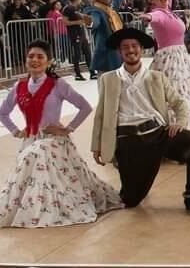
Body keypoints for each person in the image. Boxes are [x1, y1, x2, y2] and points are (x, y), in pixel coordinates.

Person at [0, 40, 122, 228]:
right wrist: (16, 131)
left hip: (55, 141)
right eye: (31, 56)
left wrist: (67, 128)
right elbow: (3, 112)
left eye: (40, 57)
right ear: (25, 60)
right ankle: (36, 209)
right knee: (32, 161)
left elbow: (84, 107)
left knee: (38, 152)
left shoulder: (58, 85)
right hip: (30, 141)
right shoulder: (19, 86)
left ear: (48, 61)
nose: (35, 60)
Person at [90, 28, 190, 215]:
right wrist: (96, 145)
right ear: (120, 51)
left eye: (134, 46)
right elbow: (101, 114)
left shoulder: (156, 77)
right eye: (125, 47)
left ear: (142, 49)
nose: (130, 50)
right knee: (131, 200)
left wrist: (180, 122)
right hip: (127, 141)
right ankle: (133, 184)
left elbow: (179, 103)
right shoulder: (108, 79)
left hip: (157, 134)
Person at [138, 0, 190, 132]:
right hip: (170, 62)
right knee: (175, 96)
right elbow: (154, 17)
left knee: (183, 94)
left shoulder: (168, 8)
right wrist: (147, 17)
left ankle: (186, 131)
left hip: (180, 60)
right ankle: (174, 134)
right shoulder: (158, 13)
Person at [82, 0, 130, 79]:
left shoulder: (110, 8)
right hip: (107, 62)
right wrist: (90, 22)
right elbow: (95, 21)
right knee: (109, 91)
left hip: (122, 59)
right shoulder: (93, 10)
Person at [62, 0, 92, 81]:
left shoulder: (77, 8)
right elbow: (65, 22)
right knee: (77, 54)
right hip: (75, 34)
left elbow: (81, 18)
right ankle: (77, 73)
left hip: (81, 33)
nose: (81, 0)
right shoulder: (67, 8)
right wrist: (77, 22)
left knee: (88, 52)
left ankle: (92, 72)